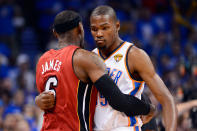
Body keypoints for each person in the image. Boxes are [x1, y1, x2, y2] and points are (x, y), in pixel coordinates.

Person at [35, 10, 155, 131]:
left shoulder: (42, 60)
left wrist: (37, 100)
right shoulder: (84, 58)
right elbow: (118, 101)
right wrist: (149, 109)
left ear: (55, 33)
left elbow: (48, 98)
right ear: (80, 28)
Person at [89, 5, 177, 131]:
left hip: (125, 127)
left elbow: (167, 100)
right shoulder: (90, 57)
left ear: (117, 26)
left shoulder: (134, 55)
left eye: (105, 28)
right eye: (94, 29)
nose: (99, 34)